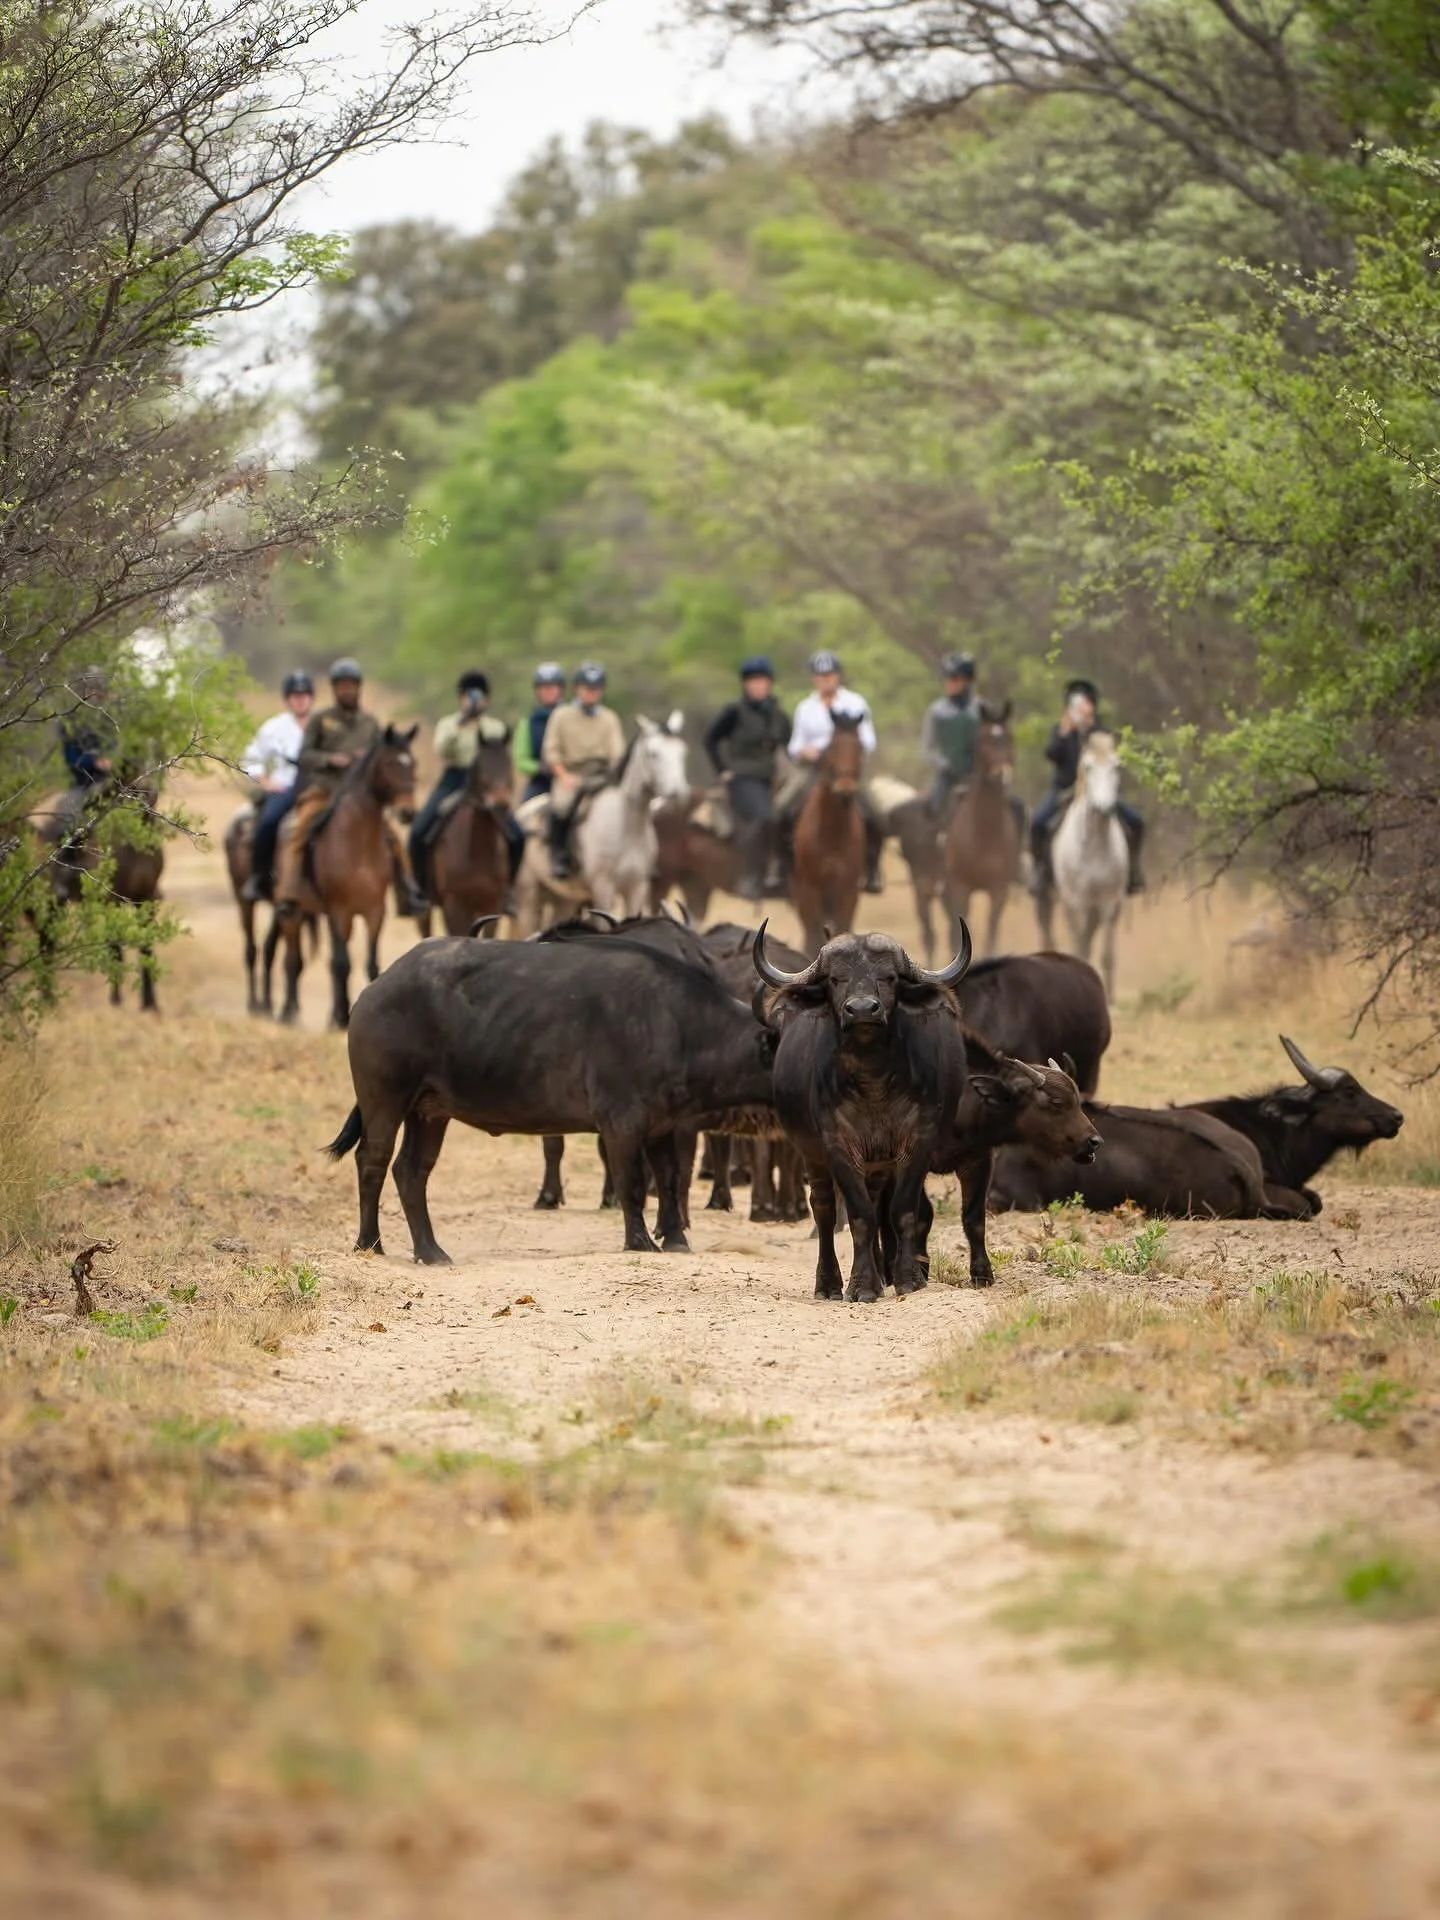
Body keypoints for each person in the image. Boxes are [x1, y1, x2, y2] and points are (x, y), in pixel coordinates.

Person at [275, 657, 426, 918]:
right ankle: (288, 893)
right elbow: (305, 755)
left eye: (351, 685)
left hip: (360, 798)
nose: (347, 690)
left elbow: (381, 761)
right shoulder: (321, 720)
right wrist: (330, 759)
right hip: (325, 791)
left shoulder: (371, 724)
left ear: (359, 688)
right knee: (297, 831)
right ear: (334, 689)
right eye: (341, 686)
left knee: (394, 840)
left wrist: (365, 760)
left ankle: (409, 892)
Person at [408, 670, 525, 906]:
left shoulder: (495, 727)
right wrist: (462, 723)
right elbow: (441, 749)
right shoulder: (449, 724)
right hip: (454, 779)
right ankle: (421, 888)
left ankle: (508, 890)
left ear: (487, 700)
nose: (473, 701)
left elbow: (501, 757)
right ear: (460, 698)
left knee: (517, 835)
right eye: (468, 696)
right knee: (419, 831)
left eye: (478, 696)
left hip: (486, 785)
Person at [774, 650, 884, 894]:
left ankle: (873, 868)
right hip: (813, 770)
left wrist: (845, 751)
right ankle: (781, 867)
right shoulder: (805, 707)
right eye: (821, 675)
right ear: (814, 678)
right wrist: (806, 751)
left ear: (838, 676)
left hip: (846, 771)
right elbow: (795, 745)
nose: (826, 679)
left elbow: (869, 740)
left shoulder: (855, 703)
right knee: (782, 808)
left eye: (830, 674)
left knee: (875, 813)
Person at [1030, 677, 1146, 895]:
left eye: (1084, 703)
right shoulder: (1061, 730)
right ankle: (1041, 872)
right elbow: (1051, 754)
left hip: (1097, 793)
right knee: (1038, 822)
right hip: (1064, 789)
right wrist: (1064, 733)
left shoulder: (1102, 733)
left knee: (1136, 821)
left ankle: (1133, 870)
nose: (1079, 709)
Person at [702, 656, 791, 899]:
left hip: (772, 778)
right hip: (743, 777)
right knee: (765, 817)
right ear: (745, 684)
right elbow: (710, 739)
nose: (758, 685)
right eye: (753, 681)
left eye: (762, 680)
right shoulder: (734, 711)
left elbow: (791, 744)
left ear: (770, 683)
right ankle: (750, 876)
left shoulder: (779, 715)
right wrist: (722, 769)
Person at [541, 661, 626, 880]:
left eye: (596, 689)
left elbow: (617, 753)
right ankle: (559, 853)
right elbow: (551, 751)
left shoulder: (609, 718)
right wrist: (563, 776)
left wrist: (615, 773)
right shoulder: (561, 715)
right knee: (561, 806)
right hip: (571, 773)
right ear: (576, 689)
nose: (591, 693)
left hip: (602, 775)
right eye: (587, 688)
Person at [239, 670, 315, 902]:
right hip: (285, 787)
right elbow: (251, 757)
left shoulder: (323, 723)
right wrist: (265, 781)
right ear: (287, 699)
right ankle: (260, 876)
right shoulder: (274, 727)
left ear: (311, 698)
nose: (300, 700)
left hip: (317, 788)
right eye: (295, 696)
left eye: (304, 695)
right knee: (268, 822)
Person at [920, 652, 982, 819]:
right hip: (948, 776)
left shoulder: (981, 710)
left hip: (978, 775)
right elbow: (928, 748)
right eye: (947, 678)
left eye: (955, 678)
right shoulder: (936, 711)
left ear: (967, 681)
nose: (949, 683)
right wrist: (944, 765)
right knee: (933, 810)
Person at [514, 662, 566, 802]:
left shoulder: (571, 716)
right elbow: (521, 760)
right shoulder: (528, 722)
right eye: (544, 688)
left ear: (560, 689)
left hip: (569, 777)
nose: (548, 692)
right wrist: (540, 768)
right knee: (523, 811)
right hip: (541, 783)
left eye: (552, 687)